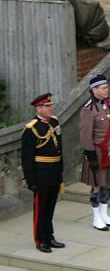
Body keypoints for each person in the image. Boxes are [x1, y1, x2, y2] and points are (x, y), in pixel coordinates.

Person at [21, 93, 64, 253]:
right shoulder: (31, 129)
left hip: (53, 173)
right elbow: (26, 158)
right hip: (41, 175)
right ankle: (40, 239)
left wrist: (60, 172)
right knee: (41, 209)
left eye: (50, 106)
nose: (50, 108)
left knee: (50, 207)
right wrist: (31, 181)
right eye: (47, 106)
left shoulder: (54, 122)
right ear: (38, 108)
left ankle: (49, 236)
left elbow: (59, 149)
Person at [79, 74, 110, 231]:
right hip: (97, 153)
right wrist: (91, 156)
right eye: (103, 88)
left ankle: (105, 214)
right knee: (96, 185)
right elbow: (85, 135)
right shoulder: (88, 109)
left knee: (108, 183)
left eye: (107, 87)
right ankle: (96, 217)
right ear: (94, 90)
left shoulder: (108, 104)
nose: (107, 90)